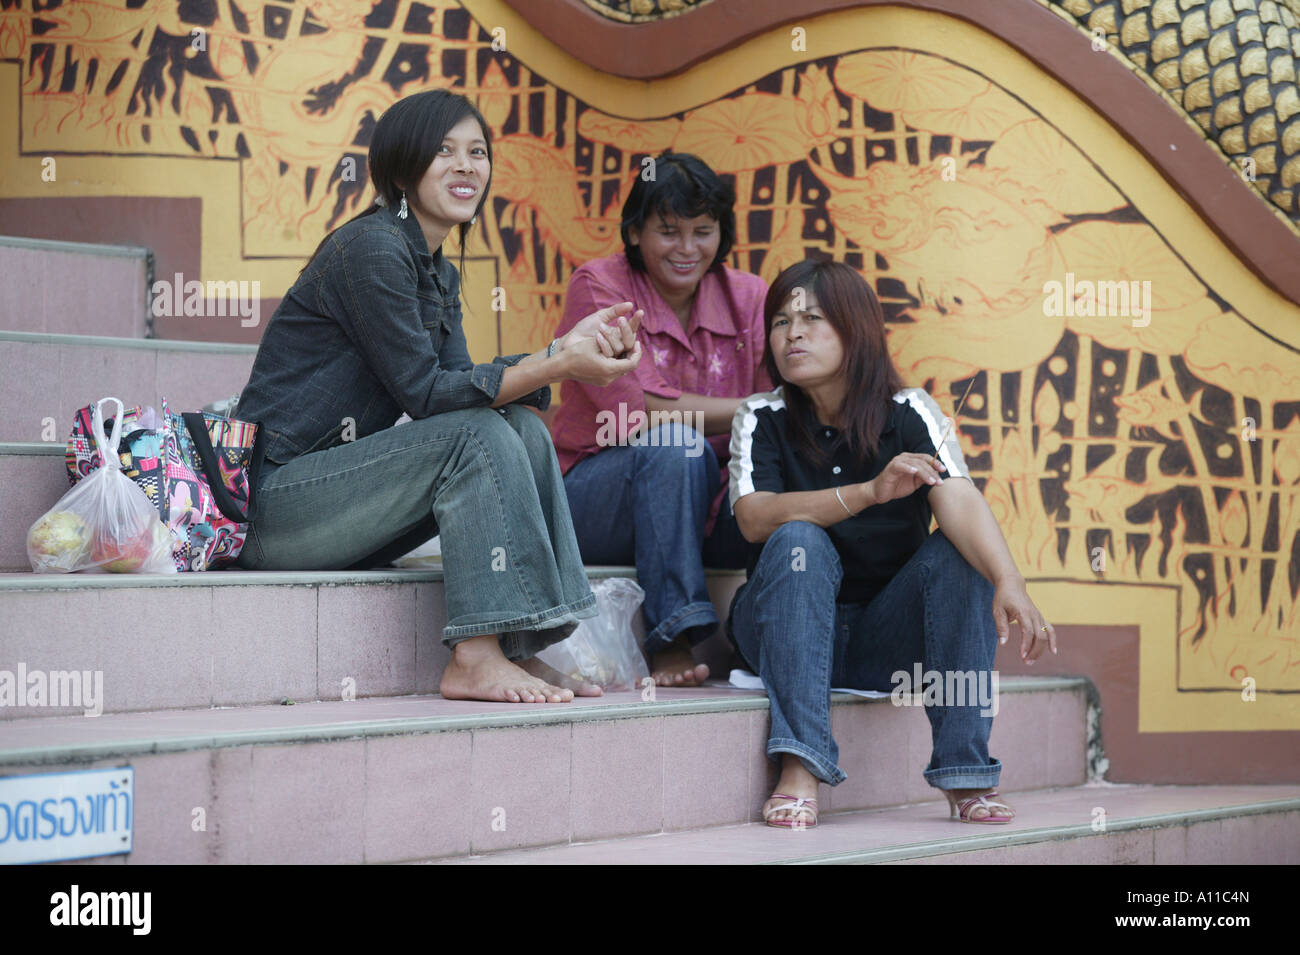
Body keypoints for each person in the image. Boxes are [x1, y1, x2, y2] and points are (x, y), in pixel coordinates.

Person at [235, 89, 645, 704]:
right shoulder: (370, 248)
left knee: (519, 425)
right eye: (444, 151)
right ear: (403, 167)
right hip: (275, 506)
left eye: (477, 152)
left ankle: (520, 644)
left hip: (343, 509)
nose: (466, 166)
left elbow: (465, 390)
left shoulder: (435, 269)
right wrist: (558, 362)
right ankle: (474, 657)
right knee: (476, 434)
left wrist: (563, 351)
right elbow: (430, 398)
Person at [727, 259, 1058, 828]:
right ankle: (799, 767)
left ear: (855, 331)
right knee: (797, 539)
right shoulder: (762, 416)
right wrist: (868, 492)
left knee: (959, 553)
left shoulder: (908, 411)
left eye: (812, 319)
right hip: (784, 634)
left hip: (886, 641)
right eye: (780, 322)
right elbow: (755, 519)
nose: (793, 334)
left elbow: (955, 493)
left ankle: (967, 776)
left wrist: (1010, 581)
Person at [550, 152, 770, 686]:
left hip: (709, 501)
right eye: (668, 232)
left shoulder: (750, 296)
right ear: (634, 231)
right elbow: (632, 412)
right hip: (596, 498)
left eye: (703, 231)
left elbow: (778, 418)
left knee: (785, 483)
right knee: (677, 445)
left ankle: (768, 637)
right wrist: (749, 411)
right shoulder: (598, 285)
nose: (688, 249)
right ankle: (671, 635)